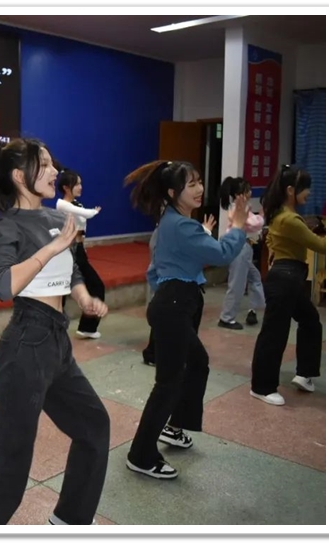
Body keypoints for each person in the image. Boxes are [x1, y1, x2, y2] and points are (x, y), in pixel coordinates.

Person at [0, 138, 110, 525]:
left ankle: (71, 520)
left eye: (51, 164)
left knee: (94, 426)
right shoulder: (5, 226)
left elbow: (71, 270)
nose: (53, 171)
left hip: (57, 341)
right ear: (18, 176)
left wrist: (83, 296)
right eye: (42, 165)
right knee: (8, 463)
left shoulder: (52, 219)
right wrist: (51, 248)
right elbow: (2, 286)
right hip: (26, 343)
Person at [124, 160, 247, 480]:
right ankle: (141, 455)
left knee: (197, 363)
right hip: (175, 305)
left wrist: (168, 292)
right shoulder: (180, 226)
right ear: (171, 192)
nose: (199, 189)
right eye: (191, 184)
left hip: (173, 302)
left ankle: (175, 426)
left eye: (199, 182)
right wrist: (238, 227)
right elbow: (221, 254)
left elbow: (154, 271)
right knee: (168, 383)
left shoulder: (170, 223)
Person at [250, 165, 325, 406]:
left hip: (289, 279)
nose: (309, 193)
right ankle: (261, 387)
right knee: (274, 334)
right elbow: (321, 245)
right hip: (285, 280)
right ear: (291, 190)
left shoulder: (281, 214)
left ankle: (305, 374)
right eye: (306, 188)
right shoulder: (289, 219)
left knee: (311, 321)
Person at [142, 213, 216, 366]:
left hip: (187, 287)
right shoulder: (166, 230)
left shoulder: (182, 227)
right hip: (172, 288)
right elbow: (156, 264)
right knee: (169, 322)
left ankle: (174, 354)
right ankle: (155, 354)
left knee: (183, 323)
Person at [54, 167, 106, 339]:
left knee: (92, 287)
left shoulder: (76, 204)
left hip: (78, 251)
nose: (80, 187)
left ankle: (87, 327)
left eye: (80, 183)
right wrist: (94, 212)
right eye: (76, 184)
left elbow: (81, 228)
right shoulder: (63, 205)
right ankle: (57, 327)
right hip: (68, 252)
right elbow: (87, 215)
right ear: (66, 188)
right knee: (61, 291)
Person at [217, 176, 266, 330]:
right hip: (240, 248)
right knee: (237, 284)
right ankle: (226, 318)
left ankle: (254, 309)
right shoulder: (239, 208)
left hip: (244, 248)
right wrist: (262, 217)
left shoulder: (241, 207)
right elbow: (253, 223)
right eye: (247, 190)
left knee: (255, 277)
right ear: (239, 194)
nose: (250, 193)